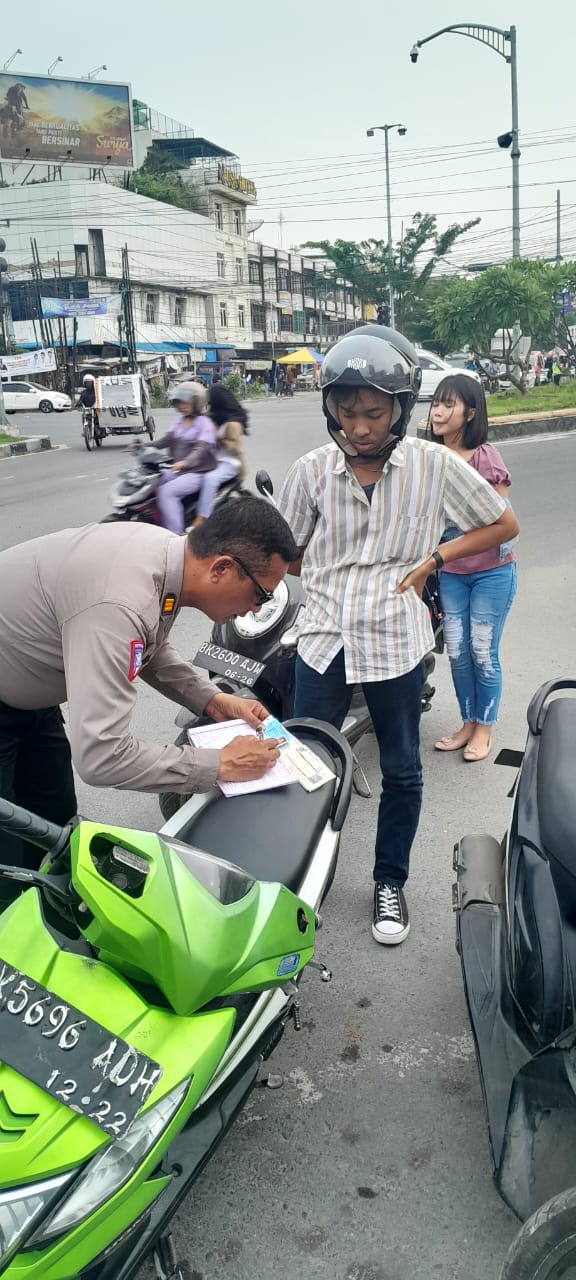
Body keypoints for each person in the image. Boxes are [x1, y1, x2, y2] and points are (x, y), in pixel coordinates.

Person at [277, 326, 519, 947]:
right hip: (324, 635)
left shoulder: (433, 465)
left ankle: (389, 881)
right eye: (347, 411)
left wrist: (435, 559)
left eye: (374, 413)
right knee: (306, 764)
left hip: (394, 637)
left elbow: (502, 522)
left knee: (404, 769)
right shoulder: (311, 471)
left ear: (400, 408)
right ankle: (295, 879)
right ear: (330, 406)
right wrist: (314, 565)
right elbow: (287, 553)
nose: (358, 427)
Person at [0, 498, 297, 869]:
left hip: (27, 697)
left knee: (55, 829)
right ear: (222, 568)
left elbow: (146, 648)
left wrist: (215, 701)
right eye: (261, 594)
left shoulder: (164, 556)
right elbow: (102, 757)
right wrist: (219, 764)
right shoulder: (120, 600)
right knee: (7, 862)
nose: (258, 609)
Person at [428, 375, 517, 762]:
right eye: (435, 403)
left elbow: (499, 521)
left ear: (470, 413)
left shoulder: (485, 457)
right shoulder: (428, 458)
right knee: (459, 652)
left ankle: (485, 726)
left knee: (482, 650)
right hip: (450, 573)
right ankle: (467, 722)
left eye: (449, 404)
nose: (438, 411)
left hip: (491, 572)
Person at [153, 383, 218, 533]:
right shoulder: (179, 422)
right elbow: (165, 441)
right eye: (179, 402)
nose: (182, 406)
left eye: (186, 402)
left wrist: (185, 463)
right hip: (179, 470)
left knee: (166, 492)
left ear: (197, 402)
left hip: (197, 472)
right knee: (153, 483)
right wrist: (143, 446)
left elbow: (201, 449)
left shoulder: (204, 423)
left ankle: (175, 535)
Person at [192, 384, 249, 528]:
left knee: (209, 478)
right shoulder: (215, 417)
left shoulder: (232, 423)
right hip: (214, 459)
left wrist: (218, 436)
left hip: (230, 462)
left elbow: (234, 447)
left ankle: (201, 518)